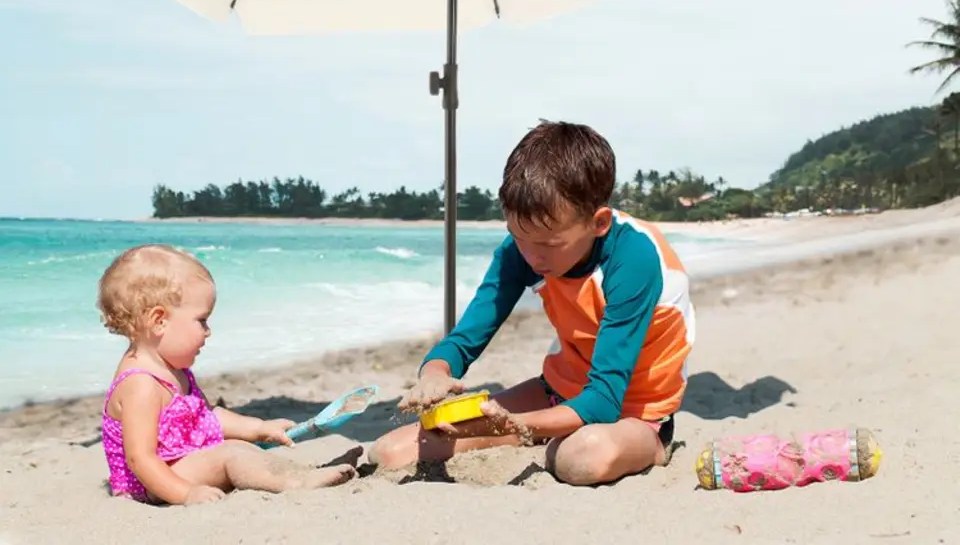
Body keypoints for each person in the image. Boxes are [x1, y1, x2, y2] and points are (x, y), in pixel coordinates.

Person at [369, 120, 695, 486]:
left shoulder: (633, 260)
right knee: (390, 452)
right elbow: (465, 339)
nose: (532, 256)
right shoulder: (523, 249)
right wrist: (434, 375)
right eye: (518, 236)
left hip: (633, 410)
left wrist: (516, 425)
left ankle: (653, 446)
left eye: (549, 245)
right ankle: (544, 430)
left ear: (599, 222)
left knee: (578, 458)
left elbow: (604, 401)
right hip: (558, 392)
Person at [97, 244, 355, 505]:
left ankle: (302, 474)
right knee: (231, 453)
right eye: (202, 320)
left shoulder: (174, 371)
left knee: (241, 447)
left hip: (179, 464)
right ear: (159, 321)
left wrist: (259, 428)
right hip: (154, 482)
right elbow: (140, 459)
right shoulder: (140, 384)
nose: (208, 331)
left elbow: (207, 418)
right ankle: (297, 482)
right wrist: (185, 493)